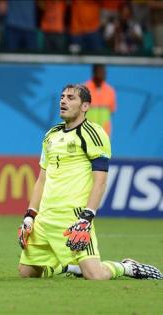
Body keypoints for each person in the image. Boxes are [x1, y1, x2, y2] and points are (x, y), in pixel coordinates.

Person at [17, 84, 163, 280]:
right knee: (27, 274)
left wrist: (87, 217)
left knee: (95, 276)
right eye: (62, 97)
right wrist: (30, 215)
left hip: (73, 217)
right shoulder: (51, 135)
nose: (63, 101)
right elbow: (42, 178)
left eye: (70, 98)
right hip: (45, 217)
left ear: (85, 106)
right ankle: (70, 268)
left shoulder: (94, 134)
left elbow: (100, 181)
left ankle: (127, 267)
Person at [84, 64, 117, 136]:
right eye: (100, 72)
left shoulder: (110, 91)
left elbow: (111, 111)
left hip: (104, 134)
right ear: (94, 72)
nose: (103, 74)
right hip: (87, 134)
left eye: (104, 72)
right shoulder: (84, 90)